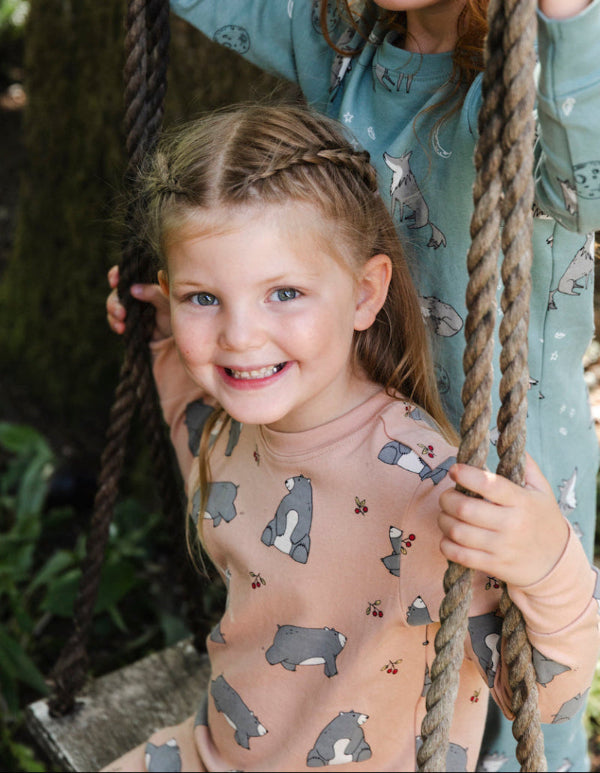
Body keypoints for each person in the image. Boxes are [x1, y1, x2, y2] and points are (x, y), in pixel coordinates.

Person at [146, 1, 600, 769]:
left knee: (516, 731)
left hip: (495, 480)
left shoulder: (528, 86)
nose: (239, 328)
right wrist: (171, 323)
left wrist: (572, 12)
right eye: (207, 302)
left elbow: (587, 158)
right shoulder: (337, 41)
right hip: (334, 426)